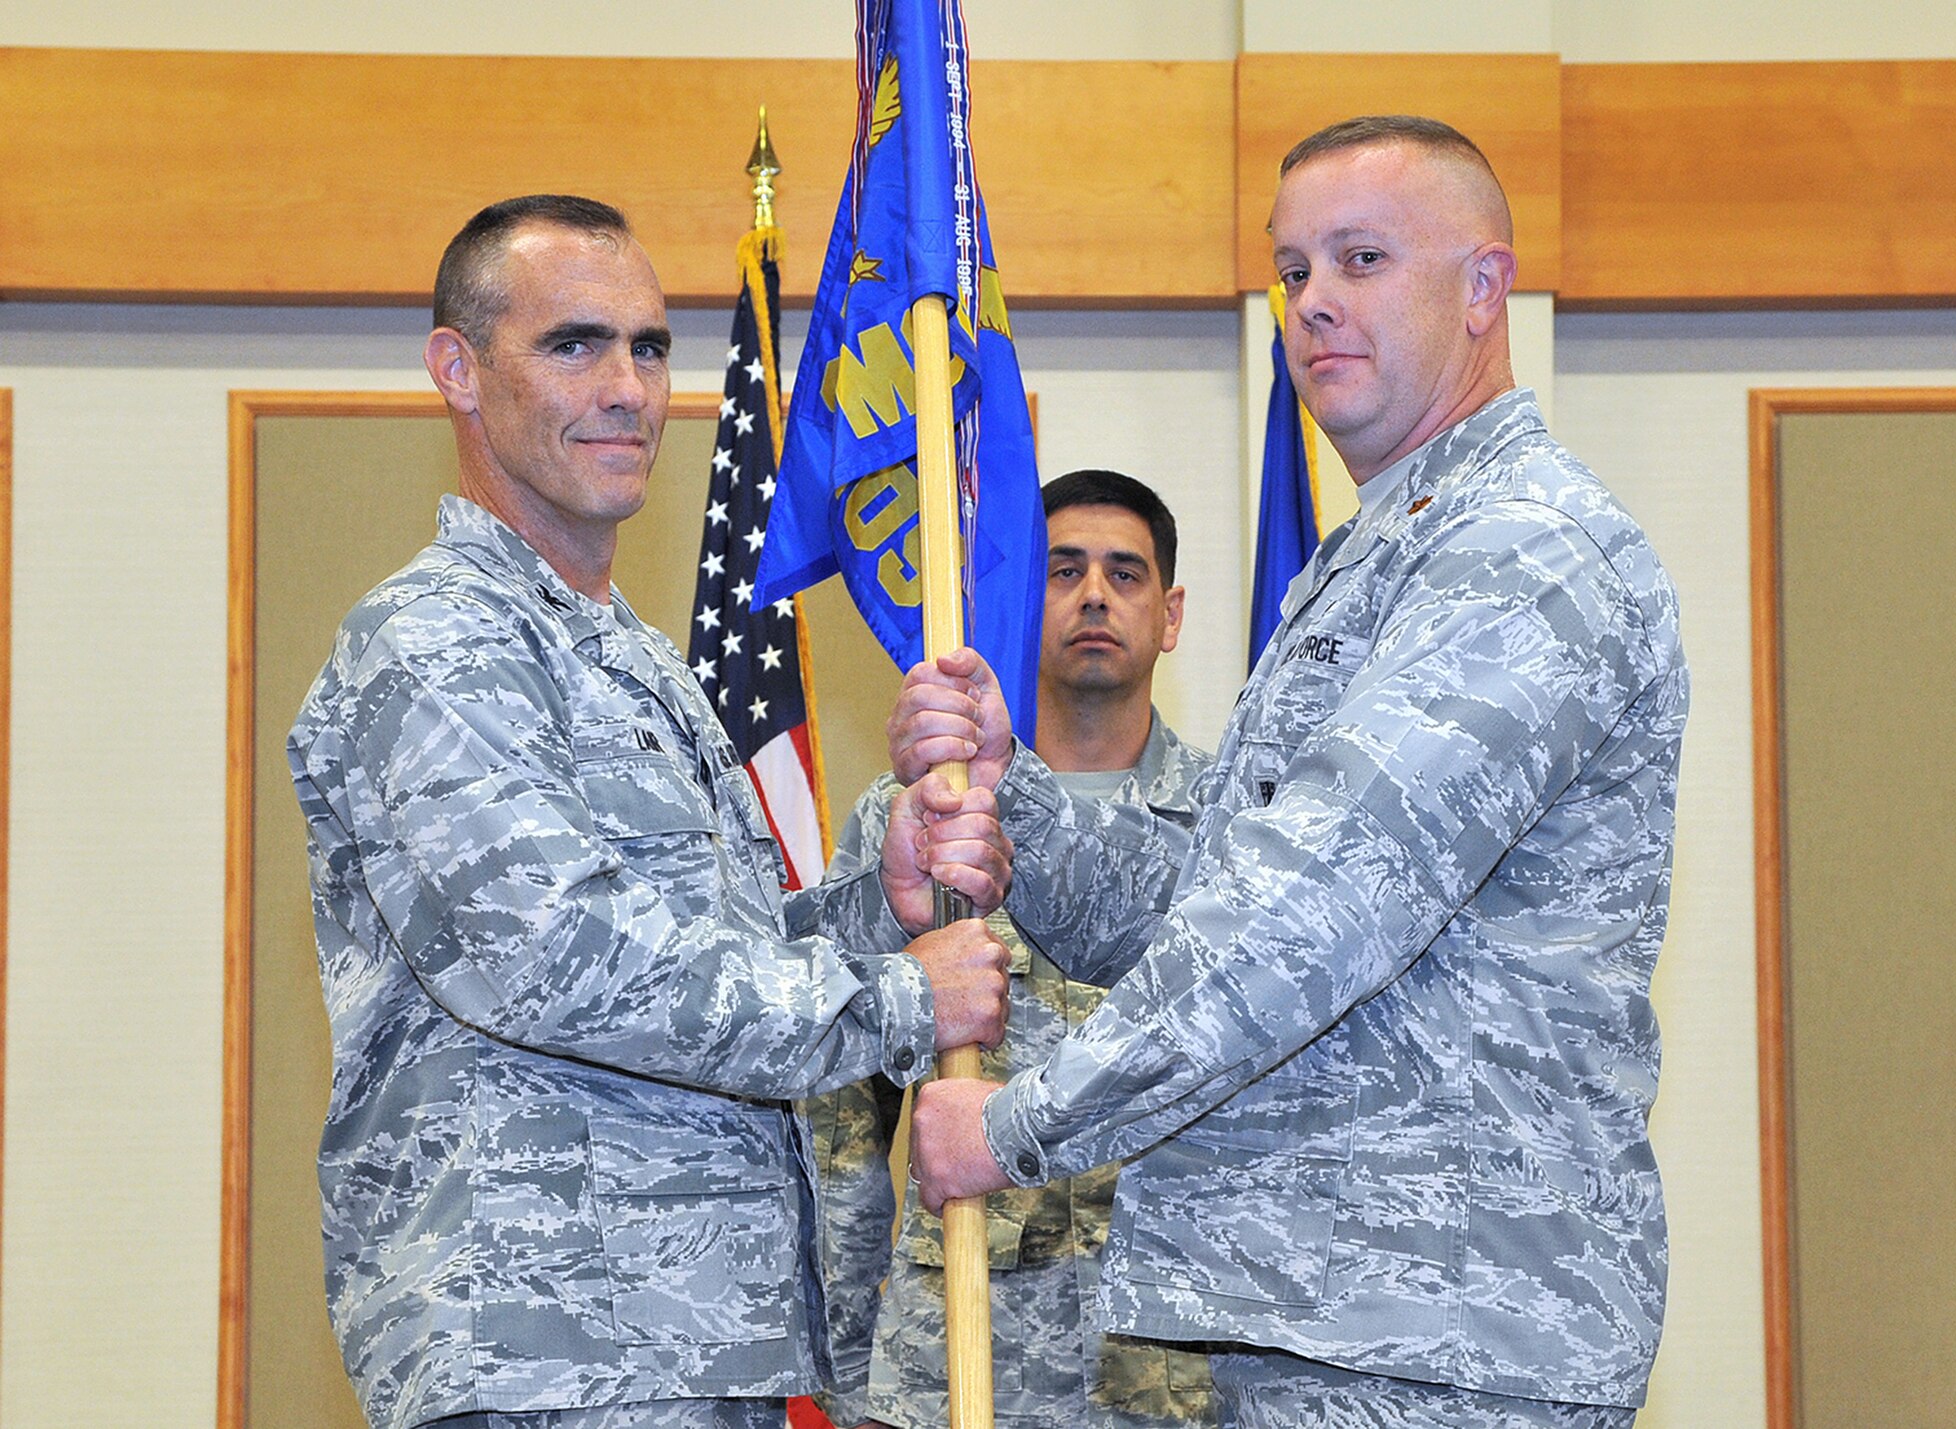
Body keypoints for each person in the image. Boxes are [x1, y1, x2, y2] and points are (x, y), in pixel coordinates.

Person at [895, 117, 1691, 1428]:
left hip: (1445, 1336)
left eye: (1363, 257)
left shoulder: (1526, 553)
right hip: (1329, 1326)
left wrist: (1018, 1124)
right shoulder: (1374, 558)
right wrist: (1011, 790)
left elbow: (1309, 918)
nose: (1314, 300)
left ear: (1484, 288)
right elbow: (1210, 892)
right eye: (1293, 268)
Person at [287, 194, 1013, 1429]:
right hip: (543, 1346)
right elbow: (555, 958)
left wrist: (866, 915)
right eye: (574, 344)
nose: (628, 386)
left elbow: (705, 950)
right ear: (457, 370)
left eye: (651, 346)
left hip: (687, 1341)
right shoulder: (435, 644)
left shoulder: (631, 659)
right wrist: (899, 1002)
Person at [811, 471, 1216, 1429]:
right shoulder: (923, 812)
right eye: (1063, 569)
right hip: (953, 1352)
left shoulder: (1232, 831)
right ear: (1016, 595)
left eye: (1126, 573)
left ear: (1171, 614)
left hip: (1171, 1369)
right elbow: (842, 1111)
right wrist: (844, 1367)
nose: (1094, 596)